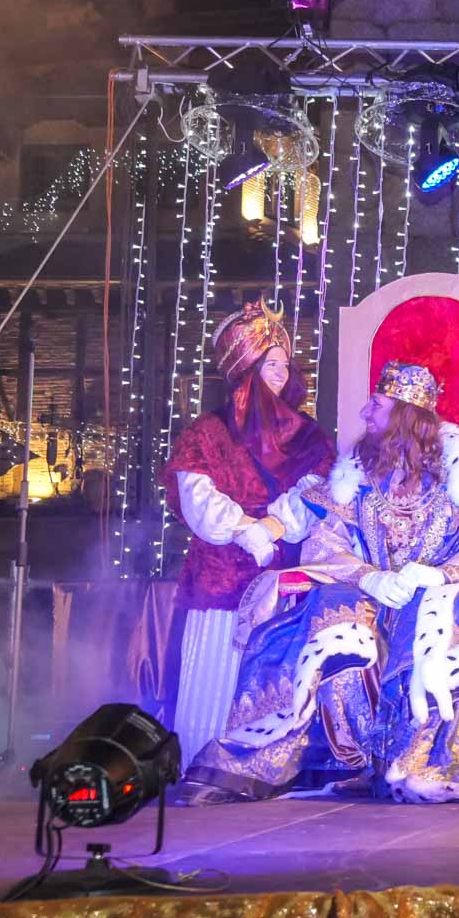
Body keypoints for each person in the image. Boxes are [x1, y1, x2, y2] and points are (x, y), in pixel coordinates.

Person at [175, 361, 459, 803]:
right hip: (371, 599)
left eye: (375, 405)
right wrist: (369, 577)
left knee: (450, 610)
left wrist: (441, 573)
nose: (364, 413)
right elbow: (324, 543)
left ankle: (427, 756)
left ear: (402, 412)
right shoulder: (356, 478)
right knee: (332, 608)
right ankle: (318, 756)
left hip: (440, 593)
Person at [161, 300, 334, 768]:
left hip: (282, 571)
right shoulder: (206, 433)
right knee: (215, 667)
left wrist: (274, 527)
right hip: (220, 572)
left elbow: (316, 490)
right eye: (270, 363)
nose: (281, 373)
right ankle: (204, 760)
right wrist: (244, 531)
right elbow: (197, 497)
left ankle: (266, 764)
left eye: (284, 364)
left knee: (276, 669)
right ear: (246, 368)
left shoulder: (308, 436)